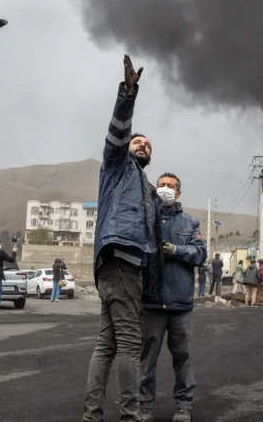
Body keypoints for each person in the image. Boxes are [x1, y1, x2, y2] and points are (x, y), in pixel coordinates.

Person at [84, 55, 164, 422]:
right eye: (137, 141)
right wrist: (129, 93)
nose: (142, 145)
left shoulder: (145, 186)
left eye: (147, 143)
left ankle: (92, 415)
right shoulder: (118, 165)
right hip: (121, 260)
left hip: (120, 265)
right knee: (130, 343)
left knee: (108, 343)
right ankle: (130, 417)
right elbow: (117, 133)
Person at [139, 173, 207, 422]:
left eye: (171, 186)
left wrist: (177, 249)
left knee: (183, 357)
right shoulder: (144, 220)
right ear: (155, 189)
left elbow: (201, 254)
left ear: (178, 193)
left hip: (180, 304)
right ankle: (144, 407)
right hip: (151, 302)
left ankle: (183, 406)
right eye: (162, 185)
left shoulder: (190, 223)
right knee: (147, 358)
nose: (165, 189)